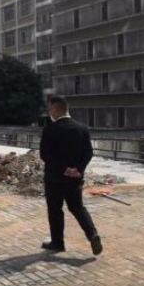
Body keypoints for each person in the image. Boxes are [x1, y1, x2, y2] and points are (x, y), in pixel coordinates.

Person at [39, 95, 102, 256]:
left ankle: (57, 243)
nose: (49, 112)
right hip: (74, 178)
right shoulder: (82, 128)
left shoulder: (49, 129)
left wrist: (64, 168)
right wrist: (77, 169)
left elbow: (45, 155)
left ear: (55, 108)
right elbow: (88, 153)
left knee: (55, 210)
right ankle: (92, 235)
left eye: (50, 108)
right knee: (77, 207)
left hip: (54, 178)